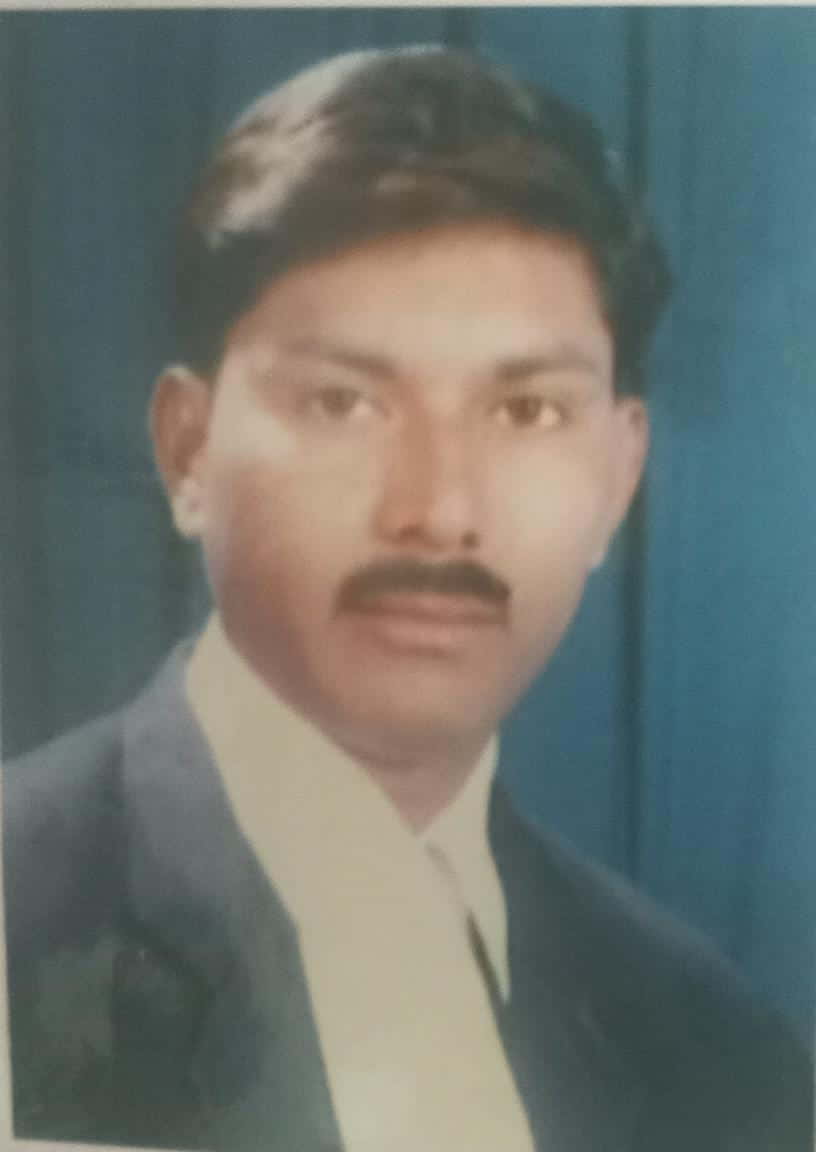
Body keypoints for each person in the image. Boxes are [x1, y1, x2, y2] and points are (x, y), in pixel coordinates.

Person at [2, 46, 811, 1152]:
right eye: (345, 402)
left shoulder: (719, 1052)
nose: (439, 511)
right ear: (188, 452)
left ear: (618, 478)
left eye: (527, 411)